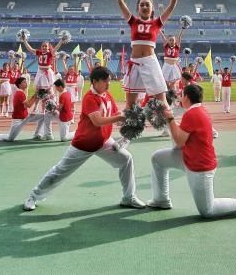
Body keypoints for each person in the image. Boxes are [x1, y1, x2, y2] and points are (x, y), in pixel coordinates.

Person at [23, 66, 145, 211]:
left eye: (109, 81)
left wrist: (128, 121)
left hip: (103, 142)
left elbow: (115, 115)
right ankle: (33, 196)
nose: (109, 84)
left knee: (126, 159)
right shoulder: (89, 98)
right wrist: (119, 117)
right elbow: (98, 121)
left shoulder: (108, 95)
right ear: (94, 81)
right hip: (83, 144)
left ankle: (128, 197)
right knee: (60, 172)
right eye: (105, 81)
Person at [147, 83, 236, 217]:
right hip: (189, 157)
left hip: (200, 167)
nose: (180, 99)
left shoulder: (192, 114)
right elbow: (183, 133)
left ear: (186, 97)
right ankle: (161, 199)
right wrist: (169, 120)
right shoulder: (197, 111)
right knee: (158, 159)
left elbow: (180, 141)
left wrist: (170, 119)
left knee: (207, 211)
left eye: (182, 96)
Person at [114, 0, 182, 112]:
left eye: (147, 5)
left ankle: (169, 128)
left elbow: (171, 7)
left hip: (150, 61)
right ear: (138, 9)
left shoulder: (157, 23)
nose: (144, 7)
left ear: (152, 9)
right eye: (142, 5)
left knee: (161, 100)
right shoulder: (132, 21)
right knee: (130, 104)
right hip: (134, 63)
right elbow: (120, 2)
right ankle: (128, 134)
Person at [0, 77, 43, 142]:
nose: (26, 83)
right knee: (10, 138)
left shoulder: (21, 92)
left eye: (26, 82)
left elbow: (27, 104)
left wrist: (36, 96)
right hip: (18, 120)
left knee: (43, 116)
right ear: (19, 85)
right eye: (24, 82)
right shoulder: (20, 93)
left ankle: (36, 134)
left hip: (25, 117)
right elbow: (29, 105)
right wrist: (36, 95)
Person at [160, 27, 185, 94]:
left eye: (173, 40)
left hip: (174, 66)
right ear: (168, 41)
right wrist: (159, 29)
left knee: (174, 82)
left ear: (175, 41)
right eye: (170, 40)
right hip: (167, 65)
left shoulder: (177, 47)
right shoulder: (166, 46)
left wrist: (182, 29)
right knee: (164, 81)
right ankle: (166, 92)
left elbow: (179, 37)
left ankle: (172, 94)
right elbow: (162, 36)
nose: (171, 41)